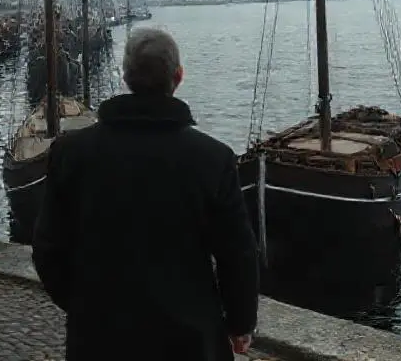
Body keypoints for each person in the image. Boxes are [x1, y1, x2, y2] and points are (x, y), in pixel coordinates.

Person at [32, 27, 260, 361]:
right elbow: (237, 254)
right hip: (190, 340)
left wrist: (84, 305)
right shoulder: (213, 159)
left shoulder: (71, 153)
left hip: (98, 338)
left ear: (126, 77)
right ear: (178, 77)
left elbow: (48, 250)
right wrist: (240, 324)